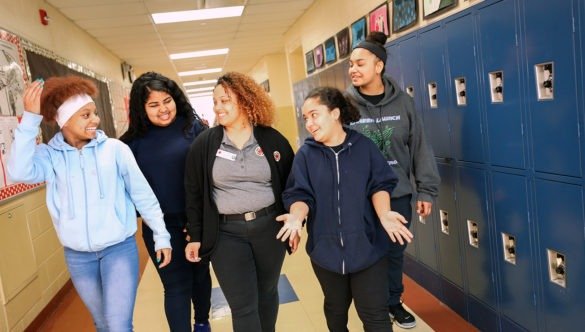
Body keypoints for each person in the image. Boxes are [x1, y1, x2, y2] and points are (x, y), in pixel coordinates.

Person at [8, 76, 172, 331]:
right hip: (78, 257)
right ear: (64, 120)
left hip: (119, 249)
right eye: (85, 115)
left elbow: (143, 195)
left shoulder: (115, 150)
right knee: (103, 324)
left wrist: (161, 235)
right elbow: (19, 171)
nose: (95, 119)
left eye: (94, 113)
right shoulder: (49, 157)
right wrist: (30, 120)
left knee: (118, 325)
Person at [277, 87, 413, 332]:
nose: (309, 123)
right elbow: (299, 194)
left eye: (314, 115)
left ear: (335, 113)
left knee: (375, 316)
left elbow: (380, 184)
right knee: (336, 314)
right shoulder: (306, 155)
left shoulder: (364, 147)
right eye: (305, 117)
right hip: (326, 252)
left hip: (368, 248)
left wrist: (384, 213)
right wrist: (296, 217)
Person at [184, 71, 295, 332]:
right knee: (243, 304)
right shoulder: (205, 144)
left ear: (245, 101)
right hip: (225, 234)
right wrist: (196, 236)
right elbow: (193, 192)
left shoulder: (271, 139)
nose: (218, 107)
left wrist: (294, 222)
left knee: (267, 294)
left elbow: (292, 185)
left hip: (270, 228)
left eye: (225, 101)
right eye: (215, 102)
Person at [347, 31, 440, 329]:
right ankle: (371, 306)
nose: (353, 69)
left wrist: (426, 191)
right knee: (365, 254)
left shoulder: (404, 103)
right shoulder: (344, 105)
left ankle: (393, 302)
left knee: (394, 253)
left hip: (397, 193)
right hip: (358, 198)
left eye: (360, 63)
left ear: (379, 66)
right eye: (350, 64)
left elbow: (420, 147)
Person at [119, 72, 212, 332]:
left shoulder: (194, 127)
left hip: (197, 221)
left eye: (167, 101)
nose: (163, 109)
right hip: (160, 228)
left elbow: (210, 174)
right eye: (153, 104)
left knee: (200, 277)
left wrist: (199, 222)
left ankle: (202, 323)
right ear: (141, 108)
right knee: (175, 286)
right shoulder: (130, 144)